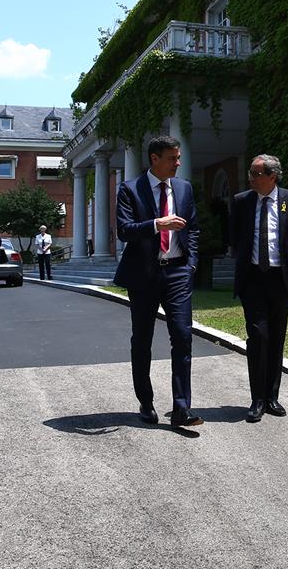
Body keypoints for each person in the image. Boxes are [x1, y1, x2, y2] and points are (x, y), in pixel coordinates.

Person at [114, 135, 201, 428]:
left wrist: (191, 265)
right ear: (154, 158)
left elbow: (194, 228)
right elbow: (124, 230)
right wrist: (157, 224)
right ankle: (146, 402)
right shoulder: (130, 189)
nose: (178, 162)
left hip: (178, 272)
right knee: (143, 340)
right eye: (172, 158)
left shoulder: (184, 188)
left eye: (178, 157)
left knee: (183, 336)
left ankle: (181, 408)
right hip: (144, 275)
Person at [229, 155, 288, 423]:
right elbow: (235, 237)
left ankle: (272, 397)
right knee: (258, 336)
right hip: (253, 279)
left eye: (255, 173)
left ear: (272, 176)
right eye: (250, 173)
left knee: (276, 338)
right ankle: (257, 399)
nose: (250, 178)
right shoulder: (242, 202)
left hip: (280, 279)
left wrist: (287, 265)